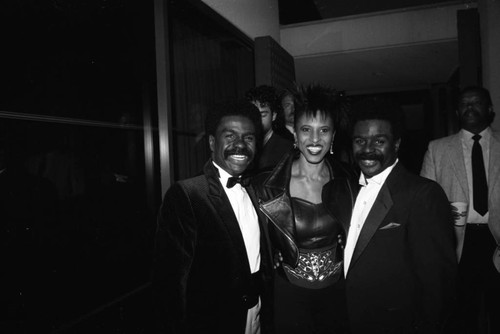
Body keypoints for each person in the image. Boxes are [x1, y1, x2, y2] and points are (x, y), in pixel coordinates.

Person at [152, 99, 273, 334]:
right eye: (230, 136)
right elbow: (169, 284)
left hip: (257, 315)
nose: (240, 145)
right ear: (211, 142)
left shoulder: (257, 190)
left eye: (248, 138)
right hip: (214, 322)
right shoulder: (187, 194)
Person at [343, 96, 457, 334]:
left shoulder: (423, 194)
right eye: (360, 140)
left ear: (396, 144)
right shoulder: (346, 191)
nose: (367, 149)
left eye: (379, 141)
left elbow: (437, 284)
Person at [253, 84, 357, 334]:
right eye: (306, 130)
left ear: (333, 136)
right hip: (289, 294)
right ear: (294, 134)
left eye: (324, 130)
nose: (314, 140)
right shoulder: (266, 185)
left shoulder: (350, 180)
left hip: (337, 293)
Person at [420, 86, 500, 333]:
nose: (470, 107)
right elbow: (426, 200)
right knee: (462, 312)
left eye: (476, 102)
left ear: (489, 109)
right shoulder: (438, 148)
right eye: (464, 104)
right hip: (458, 241)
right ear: (457, 111)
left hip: (496, 239)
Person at [246, 85, 293, 170]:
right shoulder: (243, 145)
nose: (257, 119)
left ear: (274, 116)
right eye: (253, 114)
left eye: (263, 115)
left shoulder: (287, 149)